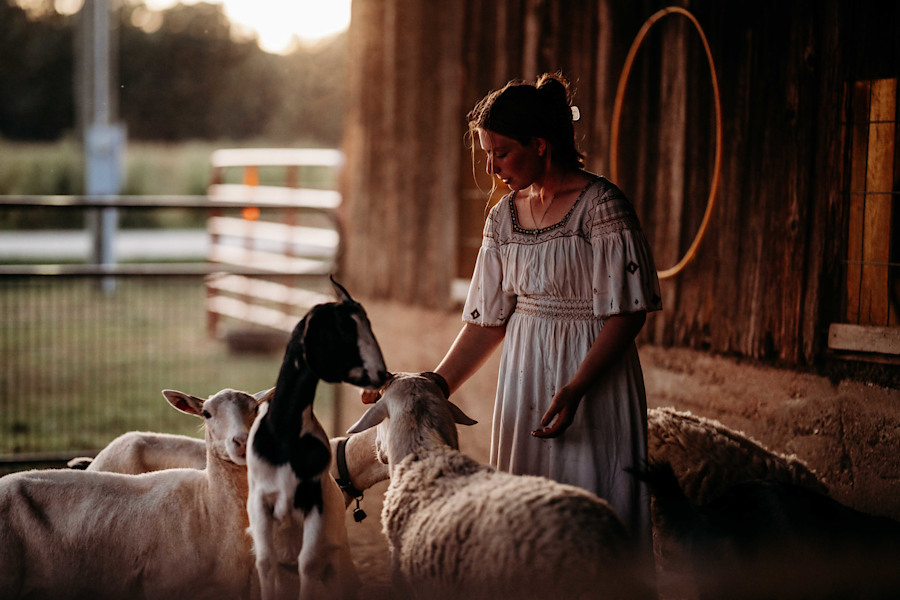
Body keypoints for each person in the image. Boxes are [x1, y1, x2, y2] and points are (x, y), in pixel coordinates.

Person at [365, 73, 662, 553]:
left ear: (540, 144)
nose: (492, 166)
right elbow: (488, 320)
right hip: (525, 380)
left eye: (500, 152)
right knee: (521, 528)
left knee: (594, 518)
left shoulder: (603, 209)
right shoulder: (502, 218)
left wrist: (578, 387)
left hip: (592, 381)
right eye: (486, 154)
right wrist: (434, 387)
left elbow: (628, 313)